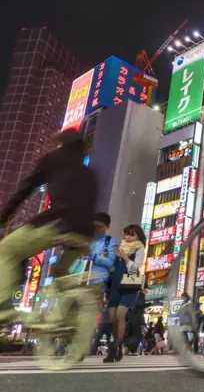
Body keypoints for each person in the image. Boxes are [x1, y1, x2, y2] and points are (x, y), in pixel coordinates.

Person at [0, 129, 97, 324]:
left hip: (59, 223)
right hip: (85, 234)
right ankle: (70, 319)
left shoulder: (53, 159)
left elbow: (25, 187)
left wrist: (4, 216)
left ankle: (3, 305)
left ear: (61, 143)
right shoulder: (89, 174)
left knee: (7, 250)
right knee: (60, 274)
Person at [103, 224, 147, 363]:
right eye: (126, 234)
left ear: (138, 236)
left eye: (131, 235)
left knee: (119, 314)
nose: (127, 237)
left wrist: (125, 257)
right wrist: (108, 257)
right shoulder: (119, 247)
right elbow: (112, 266)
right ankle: (117, 347)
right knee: (111, 319)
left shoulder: (139, 248)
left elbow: (135, 268)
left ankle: (113, 349)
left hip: (130, 284)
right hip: (115, 285)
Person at [89, 213, 117, 287]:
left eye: (100, 227)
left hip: (98, 281)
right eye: (95, 226)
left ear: (107, 227)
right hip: (80, 278)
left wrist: (94, 256)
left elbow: (111, 262)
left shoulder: (110, 241)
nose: (97, 229)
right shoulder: (86, 239)